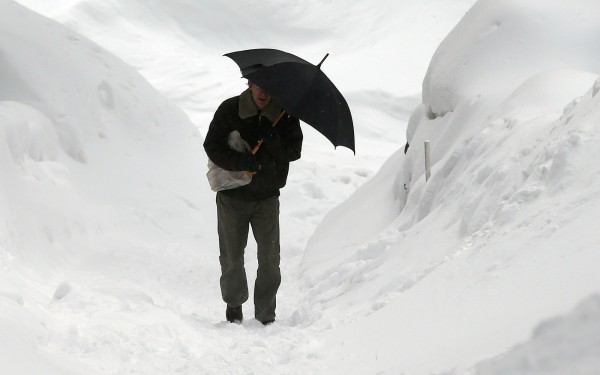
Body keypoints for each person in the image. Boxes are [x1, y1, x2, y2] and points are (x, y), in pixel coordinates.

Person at [203, 81, 303, 325]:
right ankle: (234, 305)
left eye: (268, 86)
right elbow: (212, 146)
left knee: (270, 259)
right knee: (231, 257)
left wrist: (273, 140)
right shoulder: (229, 109)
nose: (263, 91)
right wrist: (240, 162)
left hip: (267, 198)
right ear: (249, 84)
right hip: (232, 197)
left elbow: (294, 151)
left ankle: (265, 316)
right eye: (258, 85)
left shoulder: (284, 115)